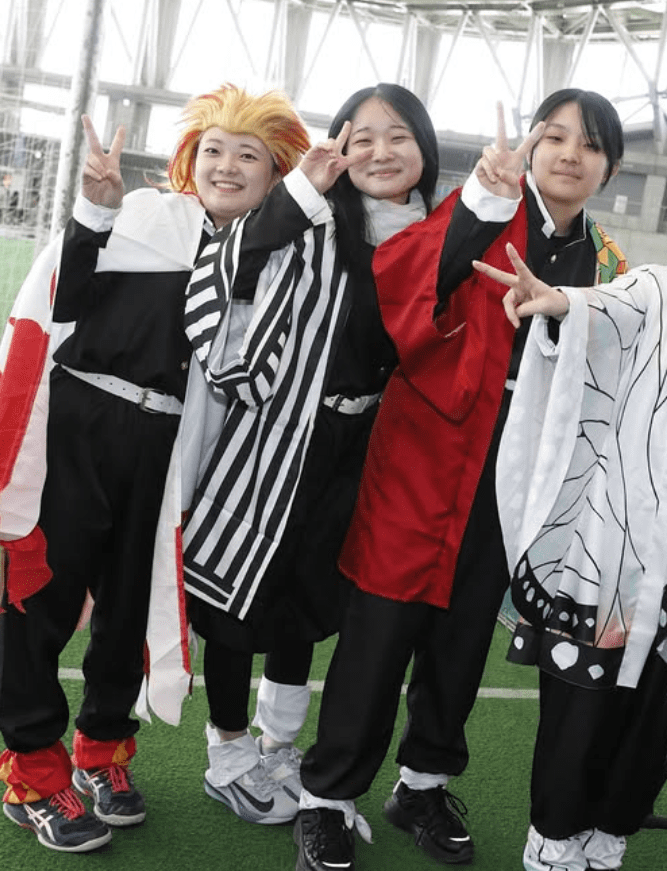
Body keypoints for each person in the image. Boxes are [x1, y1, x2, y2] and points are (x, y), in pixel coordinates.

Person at [0, 85, 307, 853]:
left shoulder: (274, 263)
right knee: (43, 598)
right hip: (81, 425)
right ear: (190, 160)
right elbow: (65, 298)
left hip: (167, 449)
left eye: (248, 155)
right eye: (213, 149)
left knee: (128, 610)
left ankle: (100, 753)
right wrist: (96, 212)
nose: (226, 165)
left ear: (278, 176)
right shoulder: (147, 216)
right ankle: (33, 774)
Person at [292, 90, 627, 871]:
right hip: (426, 452)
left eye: (591, 144)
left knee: (466, 631)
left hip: (516, 470)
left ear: (610, 167)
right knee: (379, 629)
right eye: (555, 136)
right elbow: (406, 284)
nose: (570, 154)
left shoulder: (608, 262)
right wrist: (479, 206)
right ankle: (328, 796)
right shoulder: (481, 208)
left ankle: (423, 783)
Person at [472, 149, 667, 871]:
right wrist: (558, 301)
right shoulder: (653, 287)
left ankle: (607, 838)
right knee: (580, 708)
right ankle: (552, 843)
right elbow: (601, 308)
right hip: (612, 550)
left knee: (650, 713)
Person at [169, 83, 439, 827]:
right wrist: (299, 193)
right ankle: (228, 751)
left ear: (424, 148)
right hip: (275, 434)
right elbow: (232, 265)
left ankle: (279, 745)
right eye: (362, 137)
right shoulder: (310, 218)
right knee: (237, 595)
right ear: (337, 148)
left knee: (310, 603)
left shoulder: (434, 237)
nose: (380, 152)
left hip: (365, 448)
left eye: (398, 137)